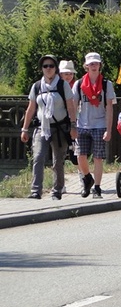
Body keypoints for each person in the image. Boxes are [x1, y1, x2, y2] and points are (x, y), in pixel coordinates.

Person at [20, 55, 78, 199]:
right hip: (42, 128)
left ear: (56, 68)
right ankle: (36, 191)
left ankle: (57, 190)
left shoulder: (62, 85)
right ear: (41, 68)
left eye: (51, 66)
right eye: (45, 66)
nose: (48, 69)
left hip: (60, 128)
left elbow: (70, 106)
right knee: (38, 157)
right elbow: (31, 108)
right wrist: (25, 129)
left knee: (58, 160)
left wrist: (73, 126)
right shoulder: (37, 86)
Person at [72, 53, 115, 198]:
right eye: (91, 64)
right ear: (86, 66)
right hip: (82, 124)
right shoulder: (79, 84)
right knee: (80, 156)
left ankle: (97, 187)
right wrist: (73, 125)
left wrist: (108, 129)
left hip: (99, 123)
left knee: (98, 157)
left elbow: (109, 107)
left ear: (100, 65)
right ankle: (87, 178)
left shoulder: (106, 84)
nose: (94, 66)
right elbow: (73, 105)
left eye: (96, 63)